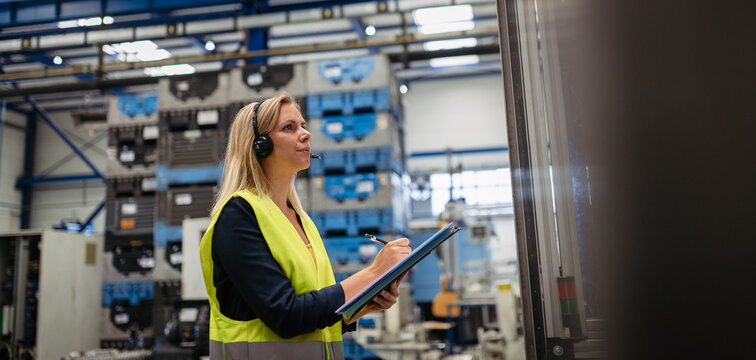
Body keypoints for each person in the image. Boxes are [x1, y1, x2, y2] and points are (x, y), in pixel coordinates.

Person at [199, 92, 411, 359]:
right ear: (259, 144)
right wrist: (372, 274)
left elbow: (311, 312)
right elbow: (286, 315)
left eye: (303, 125)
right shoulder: (238, 215)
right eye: (289, 128)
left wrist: (359, 305)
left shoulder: (300, 219)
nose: (305, 134)